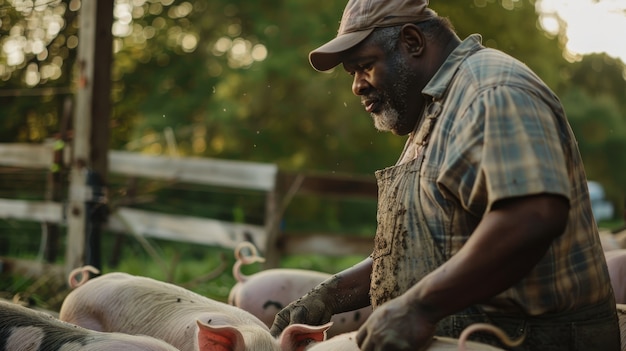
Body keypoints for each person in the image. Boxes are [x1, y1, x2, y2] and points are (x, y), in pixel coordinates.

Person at [269, 0, 621, 350]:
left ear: (412, 42)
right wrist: (328, 296)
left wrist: (419, 307)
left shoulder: (491, 92)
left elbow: (533, 215)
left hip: (525, 341)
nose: (357, 86)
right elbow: (418, 251)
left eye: (365, 66)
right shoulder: (432, 112)